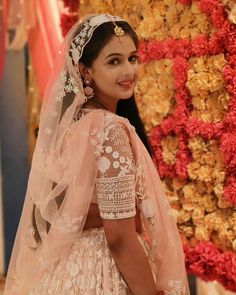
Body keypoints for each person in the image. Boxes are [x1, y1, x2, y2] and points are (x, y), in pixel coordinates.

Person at [4, 14, 190, 295]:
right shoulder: (110, 130)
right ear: (85, 70)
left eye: (132, 58)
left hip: (66, 272)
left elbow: (61, 211)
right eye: (114, 61)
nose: (128, 70)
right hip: (105, 273)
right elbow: (119, 238)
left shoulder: (72, 127)